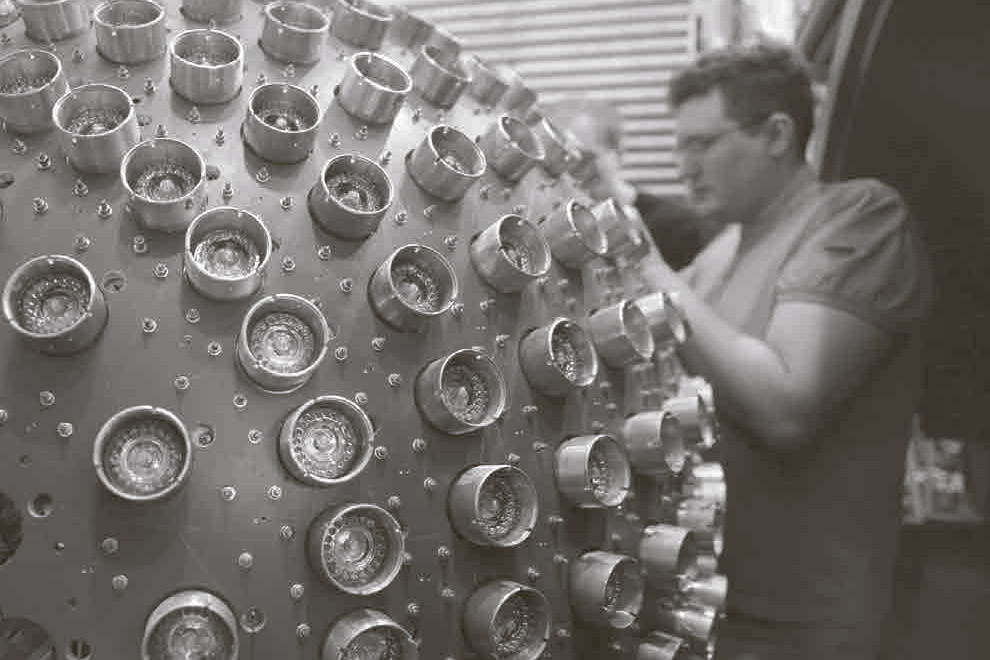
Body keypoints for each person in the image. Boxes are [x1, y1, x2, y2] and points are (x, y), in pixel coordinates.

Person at [637, 43, 933, 659]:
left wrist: (649, 270)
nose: (684, 167)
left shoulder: (858, 218)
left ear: (776, 133)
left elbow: (785, 406)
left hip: (805, 623)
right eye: (679, 146)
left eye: (702, 144)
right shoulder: (720, 252)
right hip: (713, 604)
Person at [541, 97, 713, 270]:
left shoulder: (677, 228)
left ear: (618, 154)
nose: (570, 172)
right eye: (558, 160)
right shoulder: (549, 228)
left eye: (585, 158)